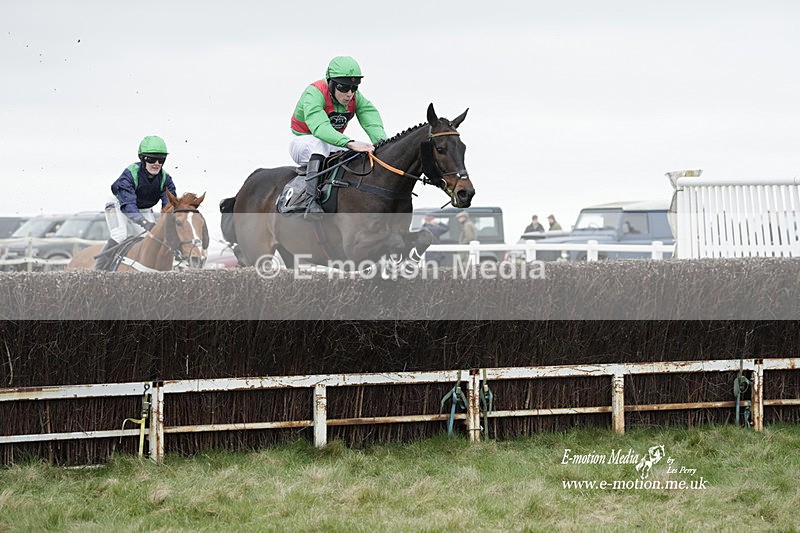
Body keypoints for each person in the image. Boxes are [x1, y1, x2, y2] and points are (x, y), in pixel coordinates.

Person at [288, 56, 387, 216]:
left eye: (354, 88)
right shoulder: (314, 92)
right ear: (331, 82)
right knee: (320, 144)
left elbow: (371, 118)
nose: (349, 94)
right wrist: (349, 142)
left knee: (357, 154)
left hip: (331, 143)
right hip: (303, 141)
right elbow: (319, 127)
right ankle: (310, 201)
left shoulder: (355, 97)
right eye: (344, 88)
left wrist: (382, 142)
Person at [95, 135, 177, 270]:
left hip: (143, 207)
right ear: (142, 158)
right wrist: (145, 223)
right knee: (120, 235)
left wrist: (165, 222)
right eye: (151, 159)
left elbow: (169, 205)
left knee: (150, 239)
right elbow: (128, 206)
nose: (156, 163)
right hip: (119, 205)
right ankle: (99, 272)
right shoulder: (130, 174)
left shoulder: (165, 179)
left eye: (161, 159)